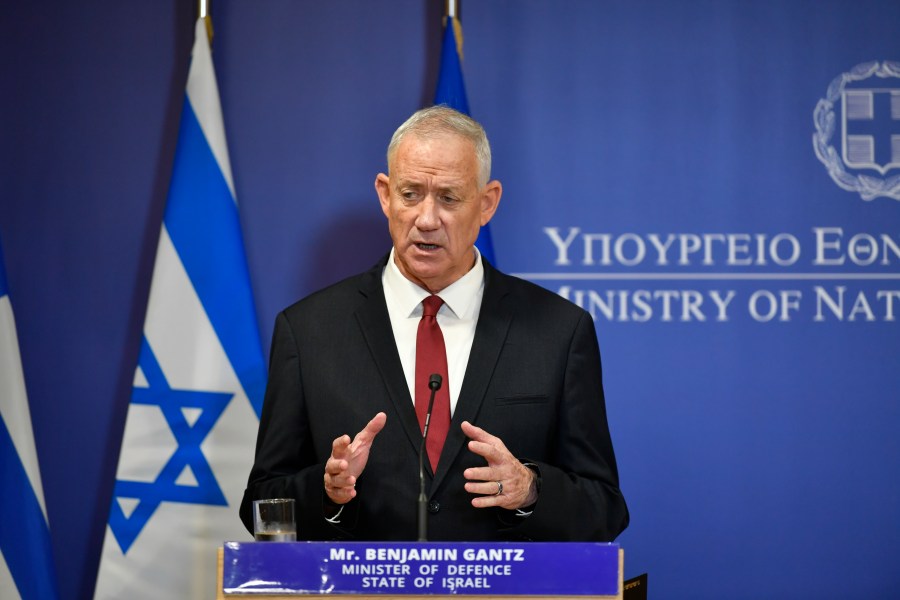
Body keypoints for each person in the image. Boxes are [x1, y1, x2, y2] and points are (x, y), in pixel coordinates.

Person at [239, 105, 628, 541]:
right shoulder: (308, 330)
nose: (426, 219)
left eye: (448, 197)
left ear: (487, 203)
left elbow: (604, 508)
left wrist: (530, 490)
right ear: (385, 195)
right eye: (410, 194)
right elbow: (261, 504)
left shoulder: (558, 330)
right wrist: (327, 492)